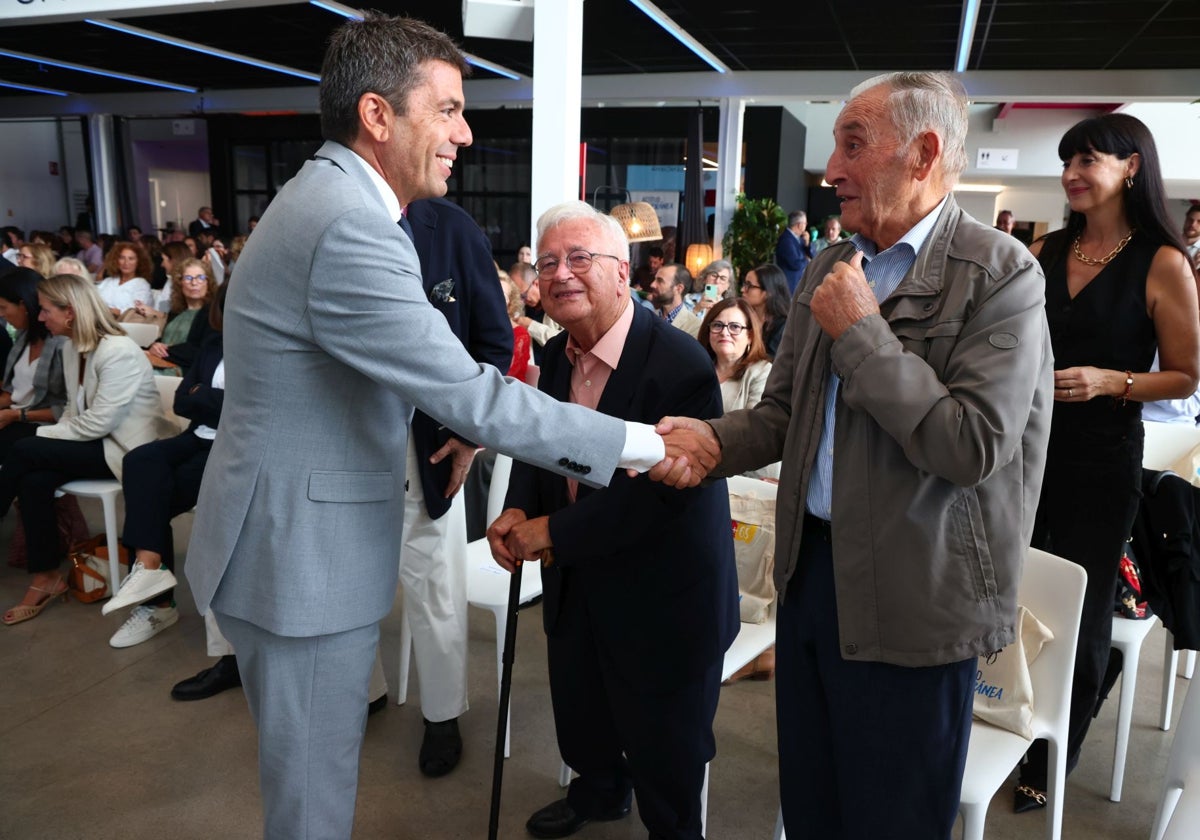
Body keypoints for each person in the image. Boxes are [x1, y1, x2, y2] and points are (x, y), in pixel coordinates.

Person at [183, 16, 693, 839]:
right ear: (379, 116)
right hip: (300, 563)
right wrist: (647, 444)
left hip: (290, 543)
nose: (463, 132)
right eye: (449, 108)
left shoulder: (330, 200)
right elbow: (474, 395)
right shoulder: (348, 223)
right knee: (311, 806)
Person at [653, 71, 1054, 838]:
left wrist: (865, 335)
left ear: (924, 152)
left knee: (891, 819)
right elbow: (781, 413)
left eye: (853, 144)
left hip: (918, 601)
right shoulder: (832, 263)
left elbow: (971, 445)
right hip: (812, 580)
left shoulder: (1000, 275)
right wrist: (709, 443)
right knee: (813, 806)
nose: (831, 169)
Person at [487, 201, 738, 840]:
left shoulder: (680, 366)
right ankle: (599, 792)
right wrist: (519, 508)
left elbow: (659, 501)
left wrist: (550, 533)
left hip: (665, 603)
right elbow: (539, 445)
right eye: (547, 263)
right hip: (582, 589)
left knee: (667, 756)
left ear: (622, 272)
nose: (561, 274)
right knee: (586, 719)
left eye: (580, 258)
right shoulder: (558, 358)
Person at [1014, 112, 1200, 812]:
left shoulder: (1162, 261)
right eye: (1068, 161)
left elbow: (1185, 374)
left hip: (1102, 461)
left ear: (1132, 168)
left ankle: (1057, 745)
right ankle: (1011, 709)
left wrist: (1111, 382)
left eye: (1087, 158)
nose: (1072, 173)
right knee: (1019, 590)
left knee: (1082, 609)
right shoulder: (1048, 247)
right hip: (1029, 452)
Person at [373, 194, 515, 777]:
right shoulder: (338, 216)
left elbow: (493, 343)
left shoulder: (450, 228)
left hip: (424, 445)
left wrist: (466, 433)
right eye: (444, 115)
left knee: (435, 590)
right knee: (346, 584)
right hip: (341, 443)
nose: (457, 138)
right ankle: (365, 691)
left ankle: (440, 716)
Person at [0, 273, 171, 626]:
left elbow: (98, 424)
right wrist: (48, 433)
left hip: (127, 452)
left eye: (46, 310)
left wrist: (42, 434)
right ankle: (46, 577)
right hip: (94, 443)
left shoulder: (117, 350)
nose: (41, 317)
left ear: (71, 312)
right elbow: (76, 414)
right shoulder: (70, 347)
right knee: (33, 480)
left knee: (21, 447)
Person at [100, 283, 229, 649]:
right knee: (140, 460)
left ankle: (155, 598)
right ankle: (151, 569)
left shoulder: (266, 350)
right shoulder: (213, 345)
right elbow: (184, 403)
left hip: (234, 447)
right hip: (197, 435)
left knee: (154, 496)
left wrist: (201, 394)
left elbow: (250, 408)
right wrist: (207, 398)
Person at [696, 298, 777, 481]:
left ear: (750, 335)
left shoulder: (762, 372)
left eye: (735, 327)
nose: (724, 332)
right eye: (717, 325)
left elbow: (755, 432)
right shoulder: (697, 369)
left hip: (748, 478)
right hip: (698, 471)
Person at [0, 268, 67, 460]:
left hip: (43, 425)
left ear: (23, 305)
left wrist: (17, 415)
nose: (1, 315)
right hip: (16, 418)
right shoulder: (23, 337)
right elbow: (12, 393)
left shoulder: (62, 343)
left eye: (4, 307)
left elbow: (70, 408)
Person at [140, 257, 216, 376]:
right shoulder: (176, 311)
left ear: (208, 282)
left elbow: (202, 350)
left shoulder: (212, 313)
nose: (194, 283)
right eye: (188, 278)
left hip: (185, 370)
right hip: (161, 362)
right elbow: (165, 340)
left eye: (200, 278)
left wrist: (166, 351)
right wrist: (154, 346)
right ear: (179, 283)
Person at [741, 263, 789, 358]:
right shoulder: (743, 317)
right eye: (744, 284)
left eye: (749, 286)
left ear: (768, 293)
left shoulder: (783, 327)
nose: (742, 289)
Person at [96, 241, 153, 317]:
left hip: (127, 325)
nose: (126, 263)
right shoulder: (109, 281)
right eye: (122, 258)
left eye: (131, 258)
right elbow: (93, 299)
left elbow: (135, 311)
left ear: (139, 262)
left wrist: (108, 311)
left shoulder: (141, 285)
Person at [648, 262, 702, 337]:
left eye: (660, 281)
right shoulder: (648, 316)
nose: (652, 285)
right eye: (655, 279)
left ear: (679, 289)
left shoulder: (695, 327)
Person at [775, 210, 812, 293]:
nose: (806, 226)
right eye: (805, 223)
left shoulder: (801, 238)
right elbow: (795, 264)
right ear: (799, 225)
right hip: (789, 287)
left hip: (797, 286)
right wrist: (807, 260)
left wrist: (807, 244)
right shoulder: (786, 240)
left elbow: (813, 256)